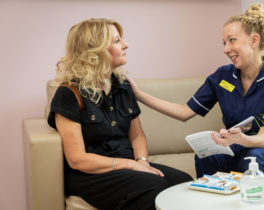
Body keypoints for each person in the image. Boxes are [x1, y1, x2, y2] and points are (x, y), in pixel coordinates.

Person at [126, 4, 264, 178]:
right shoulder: (222, 76)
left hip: (263, 155)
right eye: (224, 42)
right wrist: (139, 95)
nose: (226, 49)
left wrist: (241, 139)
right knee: (206, 155)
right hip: (233, 150)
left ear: (254, 40)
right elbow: (185, 112)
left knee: (254, 157)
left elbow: (263, 138)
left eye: (232, 40)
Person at [47, 18, 192, 210]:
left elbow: (137, 134)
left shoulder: (122, 86)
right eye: (117, 41)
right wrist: (130, 165)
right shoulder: (68, 93)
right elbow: (77, 159)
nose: (126, 45)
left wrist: (142, 162)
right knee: (153, 186)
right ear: (95, 51)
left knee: (184, 183)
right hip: (91, 175)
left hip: (129, 167)